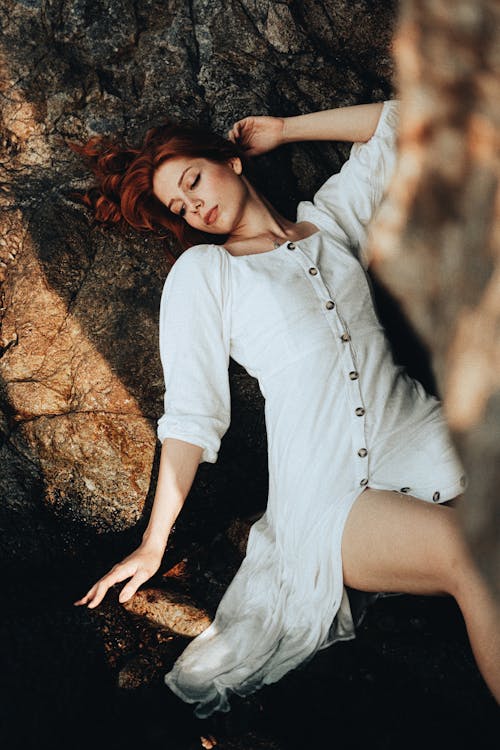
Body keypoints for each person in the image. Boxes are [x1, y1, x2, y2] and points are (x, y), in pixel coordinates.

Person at [73, 99, 500, 716]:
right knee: (472, 555)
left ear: (229, 161)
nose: (195, 207)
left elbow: (408, 118)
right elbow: (192, 418)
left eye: (193, 181)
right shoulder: (206, 272)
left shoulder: (329, 226)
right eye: (181, 207)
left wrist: (285, 131)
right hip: (331, 495)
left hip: (423, 436)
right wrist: (154, 541)